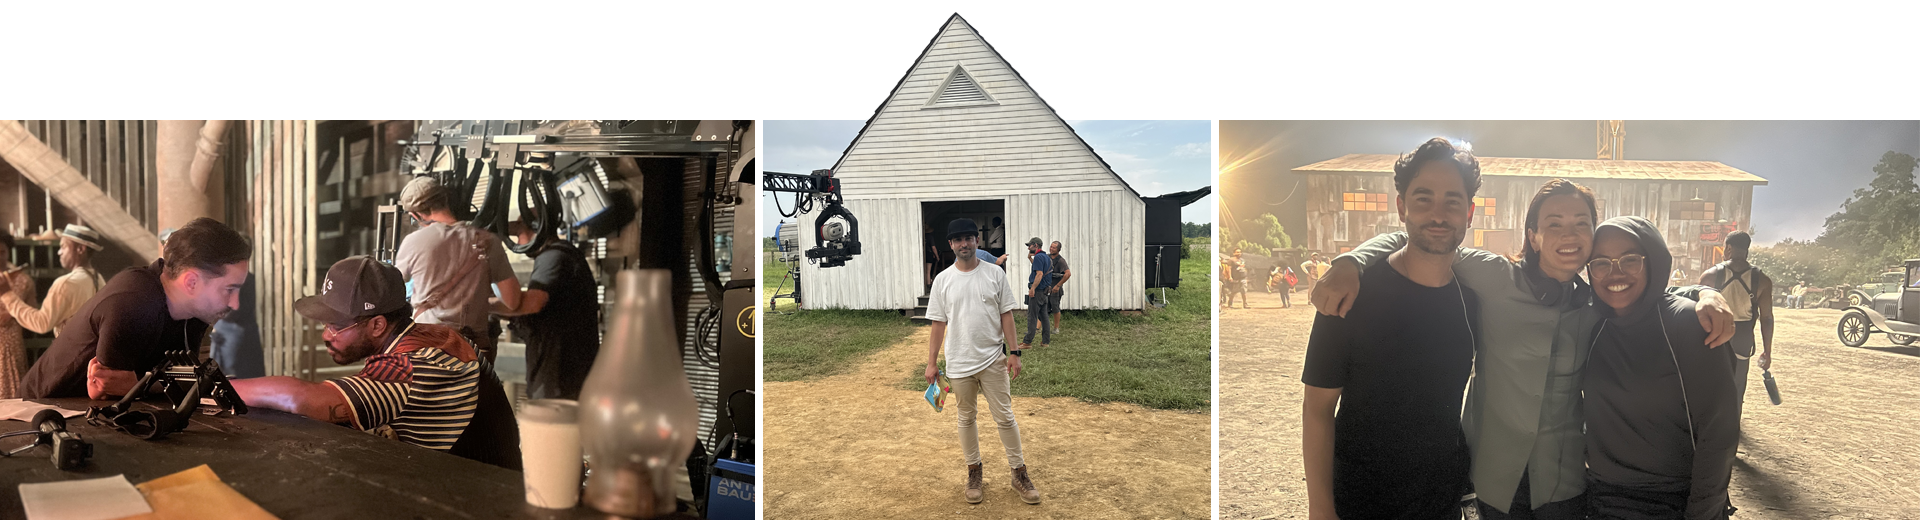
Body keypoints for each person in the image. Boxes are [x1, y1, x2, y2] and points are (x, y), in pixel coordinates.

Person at [1315, 173, 1736, 519]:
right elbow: (1427, 240)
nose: (1568, 234)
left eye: (1581, 224)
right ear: (1533, 236)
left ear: (1591, 237)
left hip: (1567, 484)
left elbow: (1648, 289)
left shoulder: (1596, 303)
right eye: (1554, 223)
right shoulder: (1494, 277)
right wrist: (1350, 261)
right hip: (1494, 481)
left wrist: (1704, 292)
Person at [1302, 136, 1481, 519]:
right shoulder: (1348, 294)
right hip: (1359, 503)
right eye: (1423, 198)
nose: (1438, 213)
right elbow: (1317, 410)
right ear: (1401, 207)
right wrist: (1320, 508)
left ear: (1469, 213)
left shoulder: (1473, 303)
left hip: (1440, 504)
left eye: (1453, 200)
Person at [232, 256, 522, 470]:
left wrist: (219, 386)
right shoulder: (435, 334)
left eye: (335, 326)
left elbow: (299, 399)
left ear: (377, 325)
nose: (325, 335)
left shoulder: (410, 370)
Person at [1585, 217, 1739, 519]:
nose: (1614, 273)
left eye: (1630, 260)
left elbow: (1719, 433)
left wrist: (1702, 514)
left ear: (1653, 261)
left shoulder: (1689, 324)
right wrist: (1701, 290)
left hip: (1672, 502)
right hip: (1603, 500)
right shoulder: (1592, 323)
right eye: (1601, 263)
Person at [16, 218, 252, 399]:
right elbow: (106, 391)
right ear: (191, 282)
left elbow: (184, 380)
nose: (235, 303)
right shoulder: (133, 303)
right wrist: (145, 385)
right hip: (44, 411)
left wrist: (141, 384)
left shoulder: (194, 313)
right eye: (229, 289)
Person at [921, 218, 1037, 505]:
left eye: (969, 238)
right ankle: (974, 471)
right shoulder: (943, 280)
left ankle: (1018, 473)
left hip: (993, 360)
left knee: (1005, 417)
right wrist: (931, 362)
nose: (964, 244)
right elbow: (938, 323)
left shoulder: (994, 274)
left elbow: (1006, 314)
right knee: (966, 418)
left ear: (977, 241)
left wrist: (1014, 352)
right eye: (958, 240)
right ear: (951, 244)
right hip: (959, 362)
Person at [394, 176, 523, 365]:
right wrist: (479, 302)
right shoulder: (488, 242)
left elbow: (392, 290)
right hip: (475, 351)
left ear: (416, 215)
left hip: (428, 346)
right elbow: (513, 301)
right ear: (446, 200)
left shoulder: (414, 242)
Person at [498, 217, 601, 400]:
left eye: (520, 234)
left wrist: (482, 305)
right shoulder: (565, 254)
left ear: (538, 227)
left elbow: (532, 303)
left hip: (561, 380)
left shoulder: (553, 256)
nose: (518, 243)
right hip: (563, 377)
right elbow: (544, 315)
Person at [1699, 231, 1774, 422]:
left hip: (1713, 333)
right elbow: (1767, 318)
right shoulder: (1762, 280)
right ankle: (1731, 427)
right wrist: (1767, 351)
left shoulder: (1710, 275)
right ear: (1747, 250)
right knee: (1738, 385)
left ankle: (1707, 424)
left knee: (1709, 381)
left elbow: (1696, 311)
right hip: (1742, 337)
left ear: (1729, 248)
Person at [2, 224, 107, 337]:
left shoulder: (66, 283)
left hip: (71, 351)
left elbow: (41, 323)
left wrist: (7, 294)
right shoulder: (98, 278)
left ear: (80, 249)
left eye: (63, 247)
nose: (59, 252)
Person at [0, 231, 35, 399]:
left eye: (2, 252)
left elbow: (33, 312)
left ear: (8, 252)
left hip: (11, 341)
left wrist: (12, 314)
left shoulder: (23, 280)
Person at [1018, 237, 1052, 350]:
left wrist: (1032, 288)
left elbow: (1039, 274)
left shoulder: (1038, 257)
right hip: (1045, 291)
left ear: (1036, 245)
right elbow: (1040, 269)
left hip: (1037, 291)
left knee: (1032, 316)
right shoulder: (1046, 257)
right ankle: (1045, 341)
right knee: (1044, 316)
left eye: (1030, 245)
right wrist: (1030, 259)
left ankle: (1027, 342)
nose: (1028, 247)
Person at [1045, 241, 1070, 335]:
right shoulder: (1047, 258)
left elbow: (1068, 274)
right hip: (1046, 287)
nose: (1051, 249)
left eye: (1054, 247)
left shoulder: (1061, 261)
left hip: (1055, 289)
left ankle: (1056, 328)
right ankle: (1038, 328)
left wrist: (1058, 285)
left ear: (1058, 250)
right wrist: (1030, 258)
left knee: (1055, 308)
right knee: (1043, 308)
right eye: (1051, 247)